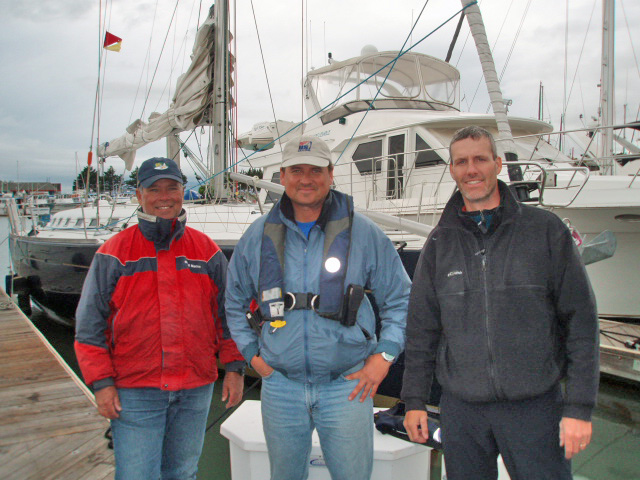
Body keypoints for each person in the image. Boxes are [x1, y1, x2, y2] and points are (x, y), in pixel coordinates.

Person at [401, 126, 599, 479]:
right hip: (462, 412)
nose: (471, 169)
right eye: (462, 162)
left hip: (535, 409)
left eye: (480, 159)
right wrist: (414, 400)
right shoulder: (439, 243)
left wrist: (579, 407)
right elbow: (422, 331)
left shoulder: (545, 230)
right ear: (452, 169)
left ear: (498, 163)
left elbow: (581, 323)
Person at [226, 134, 411, 480]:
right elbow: (234, 301)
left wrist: (384, 356)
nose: (306, 179)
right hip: (280, 386)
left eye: (315, 170)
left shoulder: (364, 233)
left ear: (330, 174)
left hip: (347, 385)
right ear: (283, 176)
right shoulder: (257, 235)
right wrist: (252, 355)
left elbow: (400, 299)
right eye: (296, 170)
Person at [74, 157, 246, 480]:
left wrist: (235, 369)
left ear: (183, 192)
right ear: (139, 195)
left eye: (172, 187)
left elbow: (230, 316)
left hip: (195, 388)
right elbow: (89, 328)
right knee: (137, 474)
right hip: (136, 390)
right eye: (154, 189)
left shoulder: (207, 251)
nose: (164, 196)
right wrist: (102, 384)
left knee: (183, 472)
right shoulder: (113, 253)